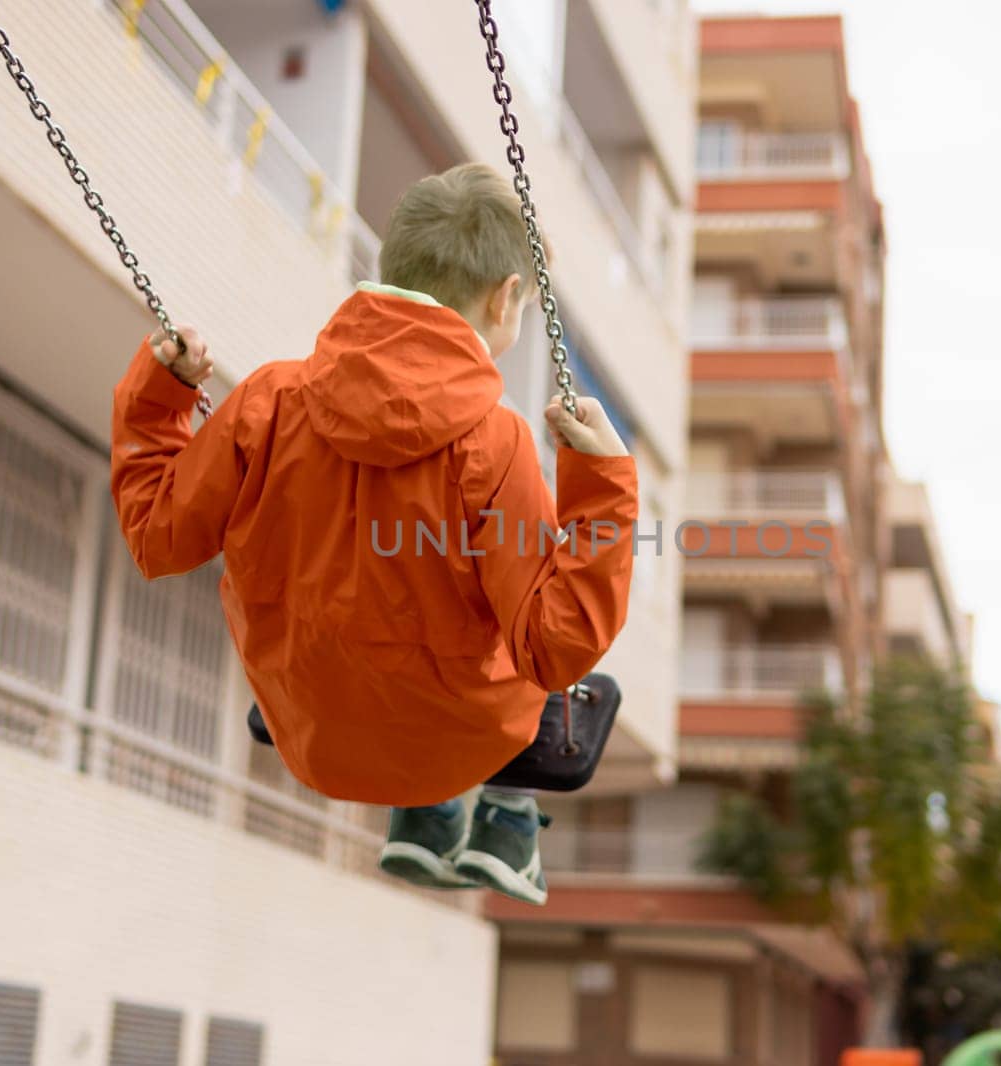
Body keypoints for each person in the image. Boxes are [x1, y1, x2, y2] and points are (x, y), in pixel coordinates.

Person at [109, 163, 638, 905]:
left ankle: (425, 817)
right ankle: (506, 819)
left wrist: (161, 397)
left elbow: (155, 535)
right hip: (458, 737)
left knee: (382, 611)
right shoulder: (497, 444)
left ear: (392, 266)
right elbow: (555, 647)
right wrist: (604, 480)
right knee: (517, 629)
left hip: (310, 727)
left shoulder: (269, 401)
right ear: (509, 299)